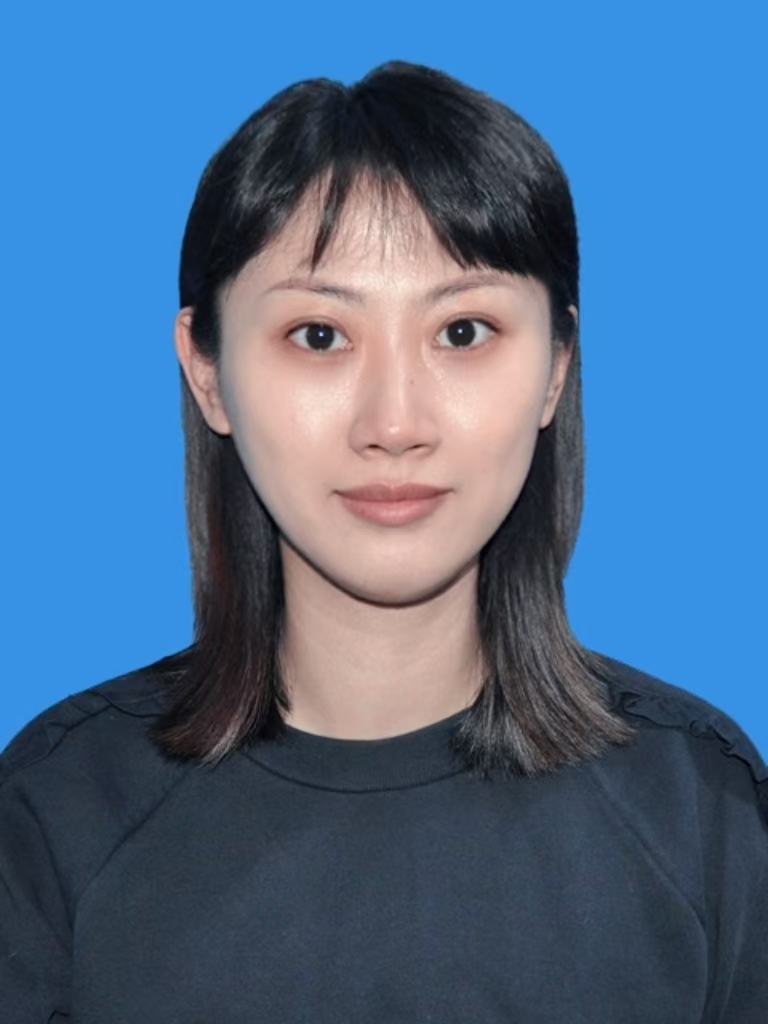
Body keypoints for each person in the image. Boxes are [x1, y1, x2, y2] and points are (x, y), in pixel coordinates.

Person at [1, 60, 766, 1024]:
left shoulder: (701, 811)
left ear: (555, 368)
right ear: (206, 373)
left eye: (464, 332)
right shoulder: (59, 813)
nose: (395, 423)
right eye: (320, 336)